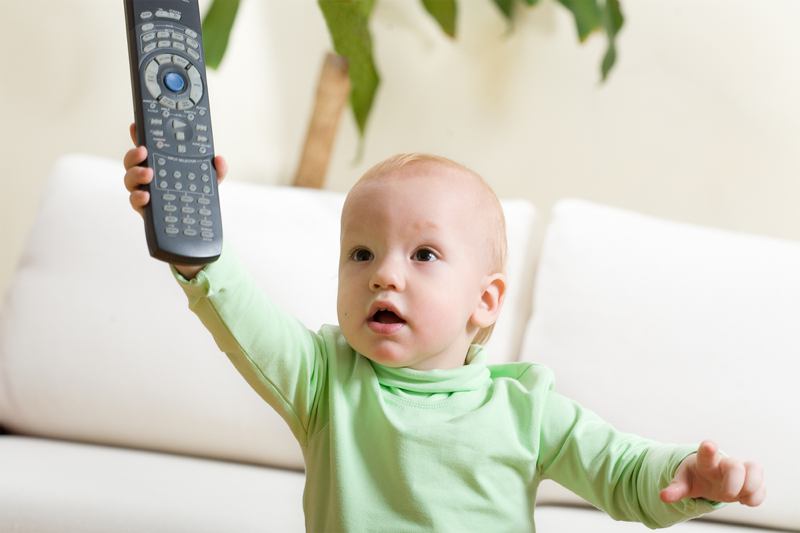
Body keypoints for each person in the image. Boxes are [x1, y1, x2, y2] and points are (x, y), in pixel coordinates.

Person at [123, 126, 766, 532]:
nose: (384, 276)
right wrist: (194, 240)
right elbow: (244, 319)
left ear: (483, 302)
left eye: (423, 255)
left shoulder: (527, 410)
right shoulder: (325, 381)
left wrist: (689, 475)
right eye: (361, 254)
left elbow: (622, 470)